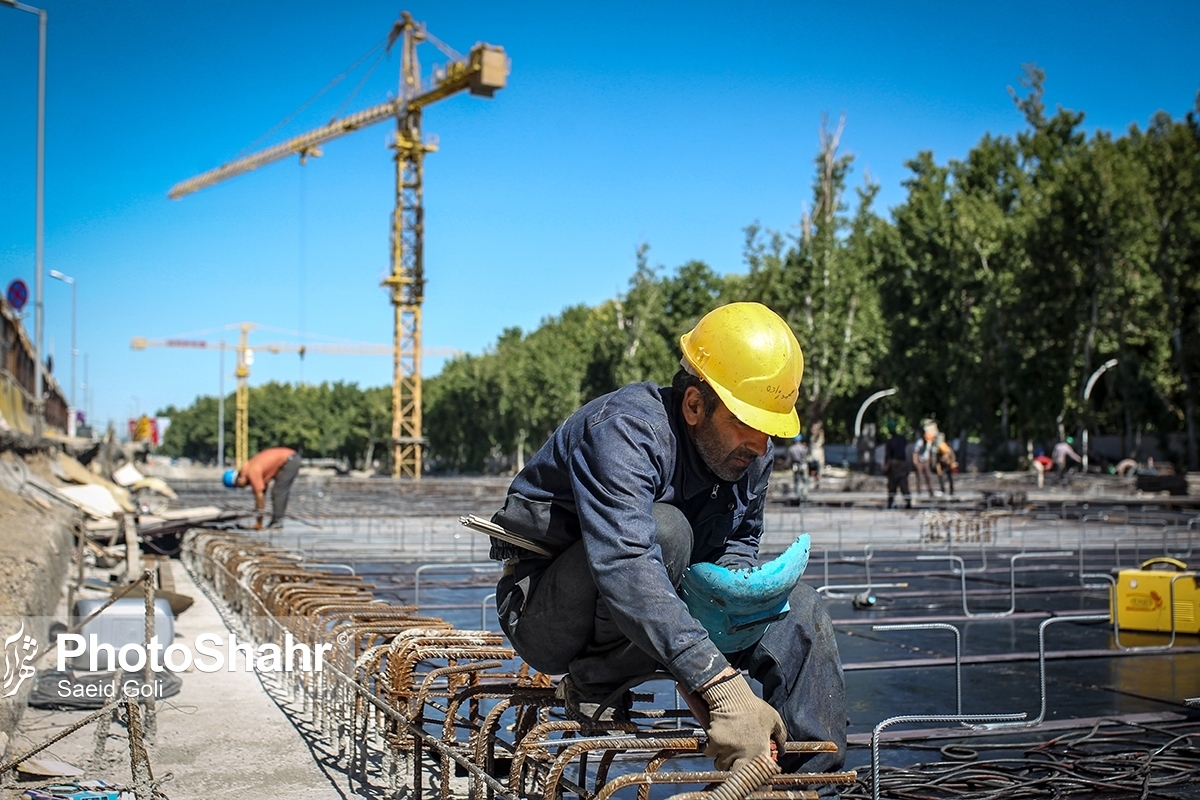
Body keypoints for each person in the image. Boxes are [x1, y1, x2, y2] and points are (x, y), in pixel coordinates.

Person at [488, 302, 845, 777]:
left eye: (768, 430)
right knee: (667, 531)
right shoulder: (625, 430)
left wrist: (740, 601)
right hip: (549, 612)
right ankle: (595, 684)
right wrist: (722, 689)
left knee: (804, 611)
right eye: (746, 425)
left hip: (668, 601)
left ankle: (812, 784)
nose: (761, 446)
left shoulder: (752, 452)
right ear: (695, 405)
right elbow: (626, 562)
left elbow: (739, 542)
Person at [223, 446, 301, 529]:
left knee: (278, 491)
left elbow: (259, 496)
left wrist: (259, 523)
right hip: (289, 458)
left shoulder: (252, 472)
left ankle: (277, 522)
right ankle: (276, 521)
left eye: (238, 486)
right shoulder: (249, 468)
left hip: (290, 460)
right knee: (277, 491)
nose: (241, 488)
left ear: (238, 479)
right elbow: (261, 494)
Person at [883, 421, 911, 509]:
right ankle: (908, 501)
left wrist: (886, 466)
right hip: (903, 464)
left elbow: (888, 455)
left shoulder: (890, 441)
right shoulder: (902, 438)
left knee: (892, 484)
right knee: (903, 484)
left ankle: (890, 502)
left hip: (894, 465)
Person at [912, 423, 937, 499]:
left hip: (926, 461)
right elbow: (915, 452)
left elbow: (928, 452)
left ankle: (931, 491)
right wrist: (915, 461)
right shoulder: (920, 442)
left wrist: (929, 460)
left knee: (928, 476)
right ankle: (919, 491)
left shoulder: (929, 442)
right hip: (920, 461)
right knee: (919, 477)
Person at [786, 434, 810, 500]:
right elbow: (806, 456)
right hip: (803, 465)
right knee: (805, 480)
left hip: (795, 466)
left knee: (797, 480)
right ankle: (805, 491)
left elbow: (789, 459)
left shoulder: (791, 449)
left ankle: (798, 495)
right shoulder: (804, 448)